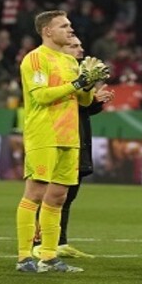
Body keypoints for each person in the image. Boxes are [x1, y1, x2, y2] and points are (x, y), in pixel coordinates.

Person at [14, 10, 105, 274]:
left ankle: (49, 256)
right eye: (64, 26)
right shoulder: (34, 59)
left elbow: (84, 102)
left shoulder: (70, 62)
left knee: (58, 196)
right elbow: (41, 96)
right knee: (35, 193)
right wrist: (78, 82)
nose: (70, 30)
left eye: (70, 25)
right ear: (48, 31)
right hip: (44, 134)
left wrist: (89, 84)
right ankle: (23, 257)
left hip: (70, 136)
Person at [33, 35, 113, 260]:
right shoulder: (55, 71)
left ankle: (60, 241)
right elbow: (53, 104)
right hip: (58, 138)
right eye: (74, 45)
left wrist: (95, 101)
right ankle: (39, 242)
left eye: (80, 44)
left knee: (67, 195)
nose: (81, 49)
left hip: (78, 136)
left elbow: (80, 109)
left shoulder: (77, 74)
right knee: (52, 194)